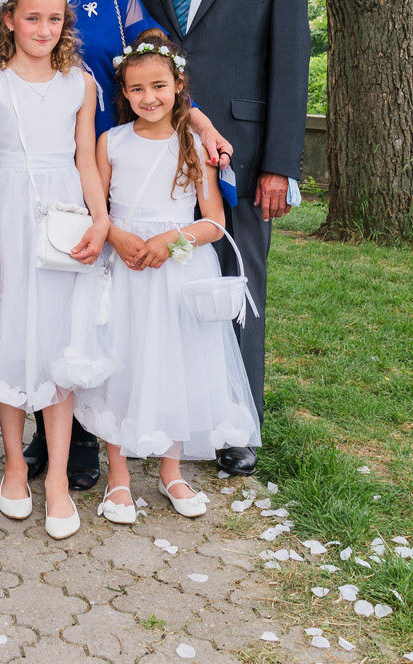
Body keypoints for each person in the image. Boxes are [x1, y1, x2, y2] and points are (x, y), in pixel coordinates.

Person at [13, 0, 232, 491]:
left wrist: (198, 122)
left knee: (96, 302)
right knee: (51, 295)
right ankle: (48, 430)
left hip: (112, 157)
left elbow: (158, 60)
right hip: (47, 161)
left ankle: (89, 433)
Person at [123, 0, 310, 477]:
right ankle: (160, 416)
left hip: (243, 156)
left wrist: (280, 164)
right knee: (162, 290)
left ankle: (236, 426)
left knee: (238, 286)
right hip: (161, 152)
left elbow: (290, 66)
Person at [74, 33, 261, 523]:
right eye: (137, 89)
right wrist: (116, 235)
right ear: (124, 93)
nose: (149, 97)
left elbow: (214, 222)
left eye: (158, 86)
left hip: (177, 272)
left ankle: (170, 470)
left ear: (179, 85)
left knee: (178, 365)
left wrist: (171, 240)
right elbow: (96, 206)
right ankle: (118, 476)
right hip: (124, 270)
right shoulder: (112, 142)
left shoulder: (193, 145)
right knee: (121, 363)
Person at [0, 0, 111, 538]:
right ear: (9, 21)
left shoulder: (79, 84)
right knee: (13, 336)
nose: (43, 30)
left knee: (60, 343)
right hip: (10, 215)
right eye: (32, 18)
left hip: (64, 215)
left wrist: (100, 219)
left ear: (65, 25)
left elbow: (86, 160)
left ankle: (59, 479)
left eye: (54, 20)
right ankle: (16, 465)